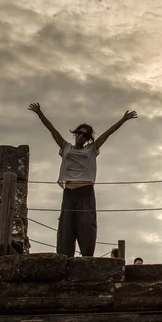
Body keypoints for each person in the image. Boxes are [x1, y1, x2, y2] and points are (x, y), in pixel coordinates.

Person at [28, 102, 137, 257]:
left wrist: (123, 119)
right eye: (78, 132)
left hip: (85, 193)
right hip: (69, 193)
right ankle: (64, 263)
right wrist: (39, 113)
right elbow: (52, 130)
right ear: (75, 133)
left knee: (87, 230)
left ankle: (86, 264)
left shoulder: (91, 149)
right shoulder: (66, 147)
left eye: (84, 135)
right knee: (66, 232)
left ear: (88, 139)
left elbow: (107, 134)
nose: (80, 136)